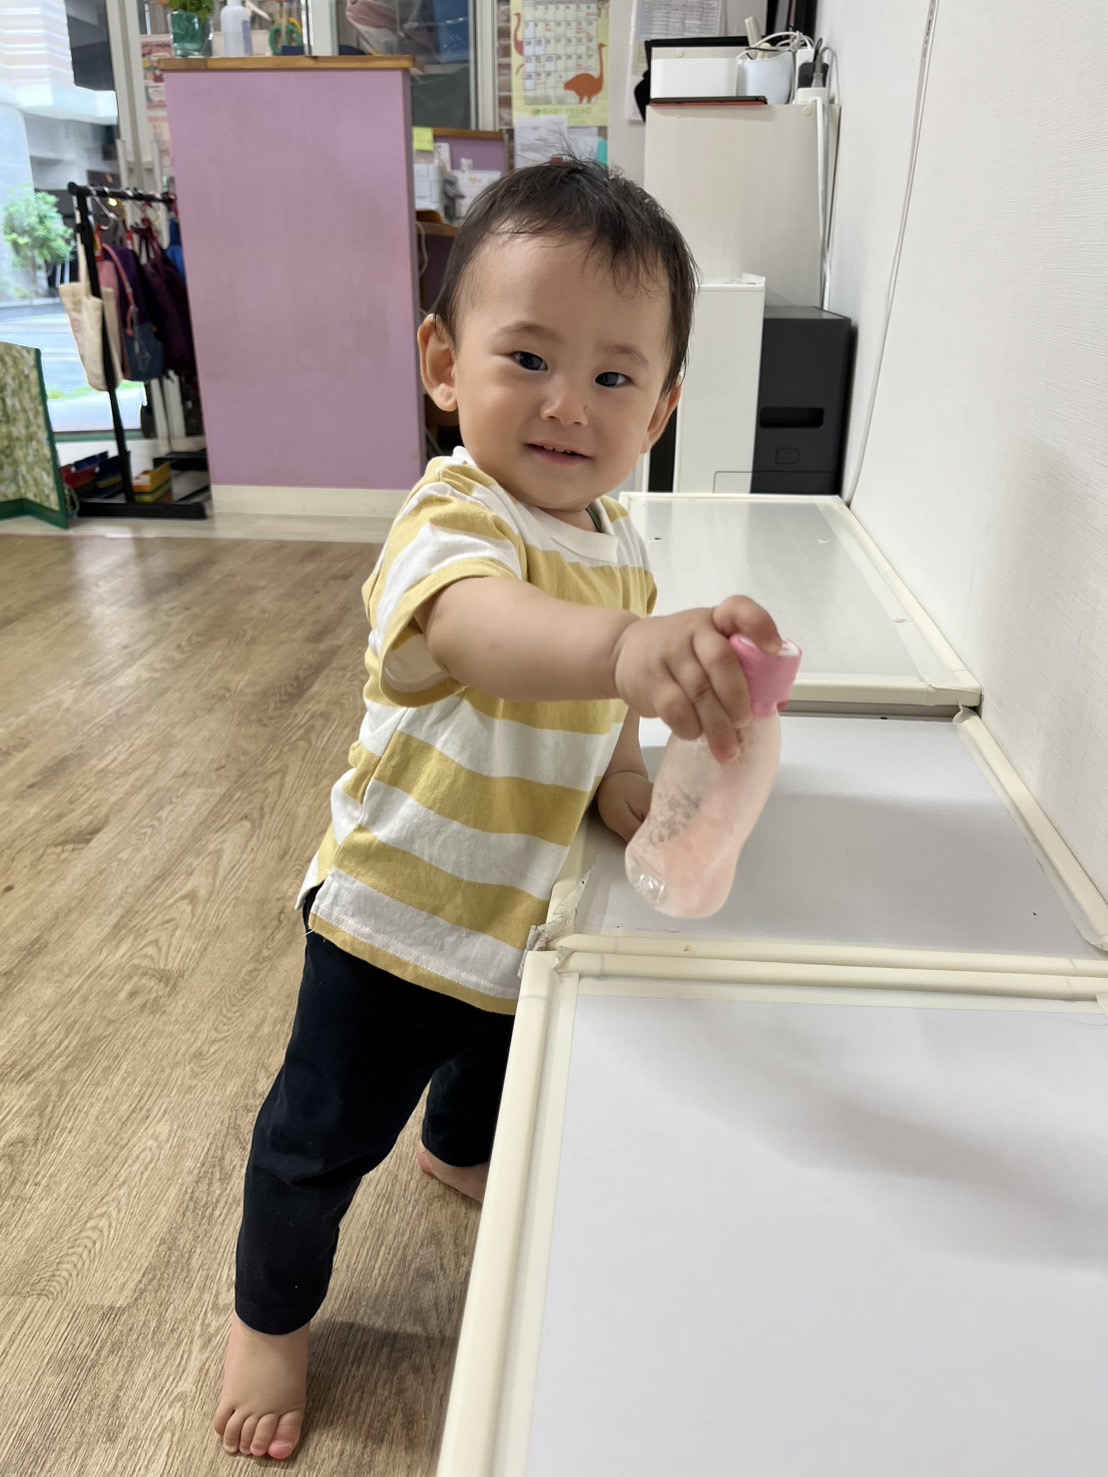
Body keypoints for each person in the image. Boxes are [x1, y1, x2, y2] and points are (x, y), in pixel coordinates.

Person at [214, 160, 781, 1462]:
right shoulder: (451, 516)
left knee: (496, 1056)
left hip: (519, 910)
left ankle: (457, 1149)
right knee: (315, 1140)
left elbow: (599, 720)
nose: (568, 403)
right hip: (395, 917)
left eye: (615, 376)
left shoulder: (622, 544)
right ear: (444, 363)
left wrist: (635, 784)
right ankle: (269, 1317)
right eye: (528, 357)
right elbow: (480, 629)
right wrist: (627, 652)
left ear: (665, 405)